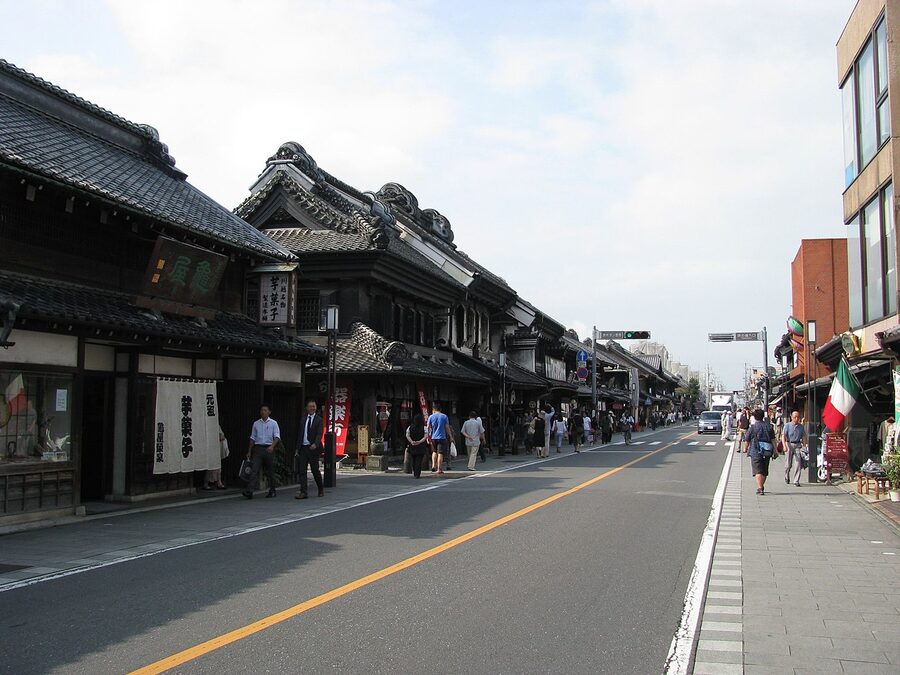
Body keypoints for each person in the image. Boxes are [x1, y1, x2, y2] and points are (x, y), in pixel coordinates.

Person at [245, 404, 280, 499]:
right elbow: (252, 438)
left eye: (265, 410)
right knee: (254, 469)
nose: (263, 412)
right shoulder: (256, 423)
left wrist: (272, 446)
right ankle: (250, 491)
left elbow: (277, 437)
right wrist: (249, 451)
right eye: (262, 410)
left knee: (270, 470)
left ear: (269, 412)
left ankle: (272, 490)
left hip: (269, 448)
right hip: (258, 448)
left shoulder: (273, 423)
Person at [295, 399, 324, 499]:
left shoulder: (319, 420)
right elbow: (300, 434)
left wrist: (315, 444)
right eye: (310, 406)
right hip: (303, 447)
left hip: (313, 448)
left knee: (314, 469)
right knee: (302, 470)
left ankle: (320, 488)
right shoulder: (303, 419)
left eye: (314, 406)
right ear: (306, 408)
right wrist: (297, 448)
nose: (312, 408)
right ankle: (304, 492)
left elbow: (319, 433)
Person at [745, 408, 776, 495]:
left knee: (757, 470)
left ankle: (760, 487)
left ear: (754, 417)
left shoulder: (753, 427)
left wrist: (745, 448)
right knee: (764, 469)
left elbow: (747, 439)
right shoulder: (769, 426)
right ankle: (761, 485)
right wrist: (776, 450)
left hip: (755, 450)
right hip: (767, 450)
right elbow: (773, 439)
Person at [426, 402, 453, 474]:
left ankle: (433, 466)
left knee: (434, 452)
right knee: (440, 453)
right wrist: (450, 436)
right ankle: (439, 468)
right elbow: (447, 427)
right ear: (440, 409)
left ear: (434, 409)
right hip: (442, 437)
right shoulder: (444, 416)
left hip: (433, 437)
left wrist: (428, 437)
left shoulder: (431, 417)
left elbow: (428, 427)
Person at [781, 410, 806, 488]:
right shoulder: (787, 425)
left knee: (798, 463)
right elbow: (783, 436)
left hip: (797, 444)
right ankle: (786, 475)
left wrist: (804, 445)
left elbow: (804, 436)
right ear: (791, 417)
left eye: (798, 417)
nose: (796, 418)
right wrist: (784, 445)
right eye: (795, 417)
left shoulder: (801, 427)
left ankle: (796, 480)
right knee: (788, 464)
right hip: (789, 444)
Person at [405, 414, 429, 478]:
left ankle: (415, 471)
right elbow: (425, 436)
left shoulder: (410, 427)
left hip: (412, 445)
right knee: (419, 460)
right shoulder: (424, 428)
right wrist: (419, 441)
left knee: (413, 459)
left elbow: (407, 435)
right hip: (421, 446)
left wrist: (411, 441)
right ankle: (417, 473)